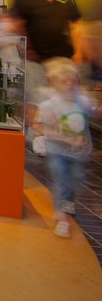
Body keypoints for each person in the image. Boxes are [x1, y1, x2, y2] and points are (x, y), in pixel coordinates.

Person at [11, 0, 82, 154]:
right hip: (35, 58)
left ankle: (61, 134)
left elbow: (74, 26)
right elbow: (17, 23)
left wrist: (77, 51)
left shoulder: (67, 0)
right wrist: (24, 48)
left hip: (62, 57)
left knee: (63, 97)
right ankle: (38, 135)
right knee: (35, 96)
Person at [32, 58, 97, 238]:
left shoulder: (82, 100)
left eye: (73, 81)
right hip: (57, 151)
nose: (70, 85)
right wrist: (69, 140)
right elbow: (42, 128)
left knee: (76, 178)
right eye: (64, 81)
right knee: (60, 179)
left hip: (79, 152)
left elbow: (94, 110)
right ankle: (61, 216)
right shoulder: (49, 105)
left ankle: (68, 200)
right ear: (54, 84)